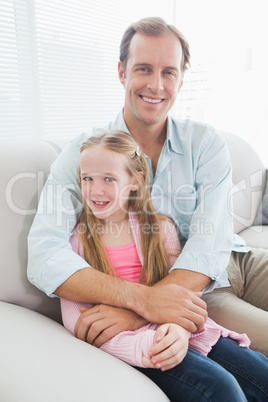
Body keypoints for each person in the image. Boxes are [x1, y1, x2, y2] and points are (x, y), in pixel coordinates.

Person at [27, 15, 268, 362]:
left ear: (181, 80)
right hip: (199, 287)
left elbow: (212, 240)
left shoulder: (205, 142)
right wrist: (143, 299)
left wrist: (139, 309)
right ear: (122, 72)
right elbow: (44, 254)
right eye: (143, 69)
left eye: (168, 72)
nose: (156, 85)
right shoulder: (83, 155)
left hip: (238, 256)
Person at [60, 131, 268, 401]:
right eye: (87, 178)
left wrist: (179, 329)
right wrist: (149, 342)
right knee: (221, 388)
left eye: (109, 179)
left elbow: (183, 296)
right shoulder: (77, 242)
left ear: (135, 181)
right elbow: (79, 322)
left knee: (260, 372)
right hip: (136, 347)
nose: (95, 189)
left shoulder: (160, 228)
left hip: (177, 330)